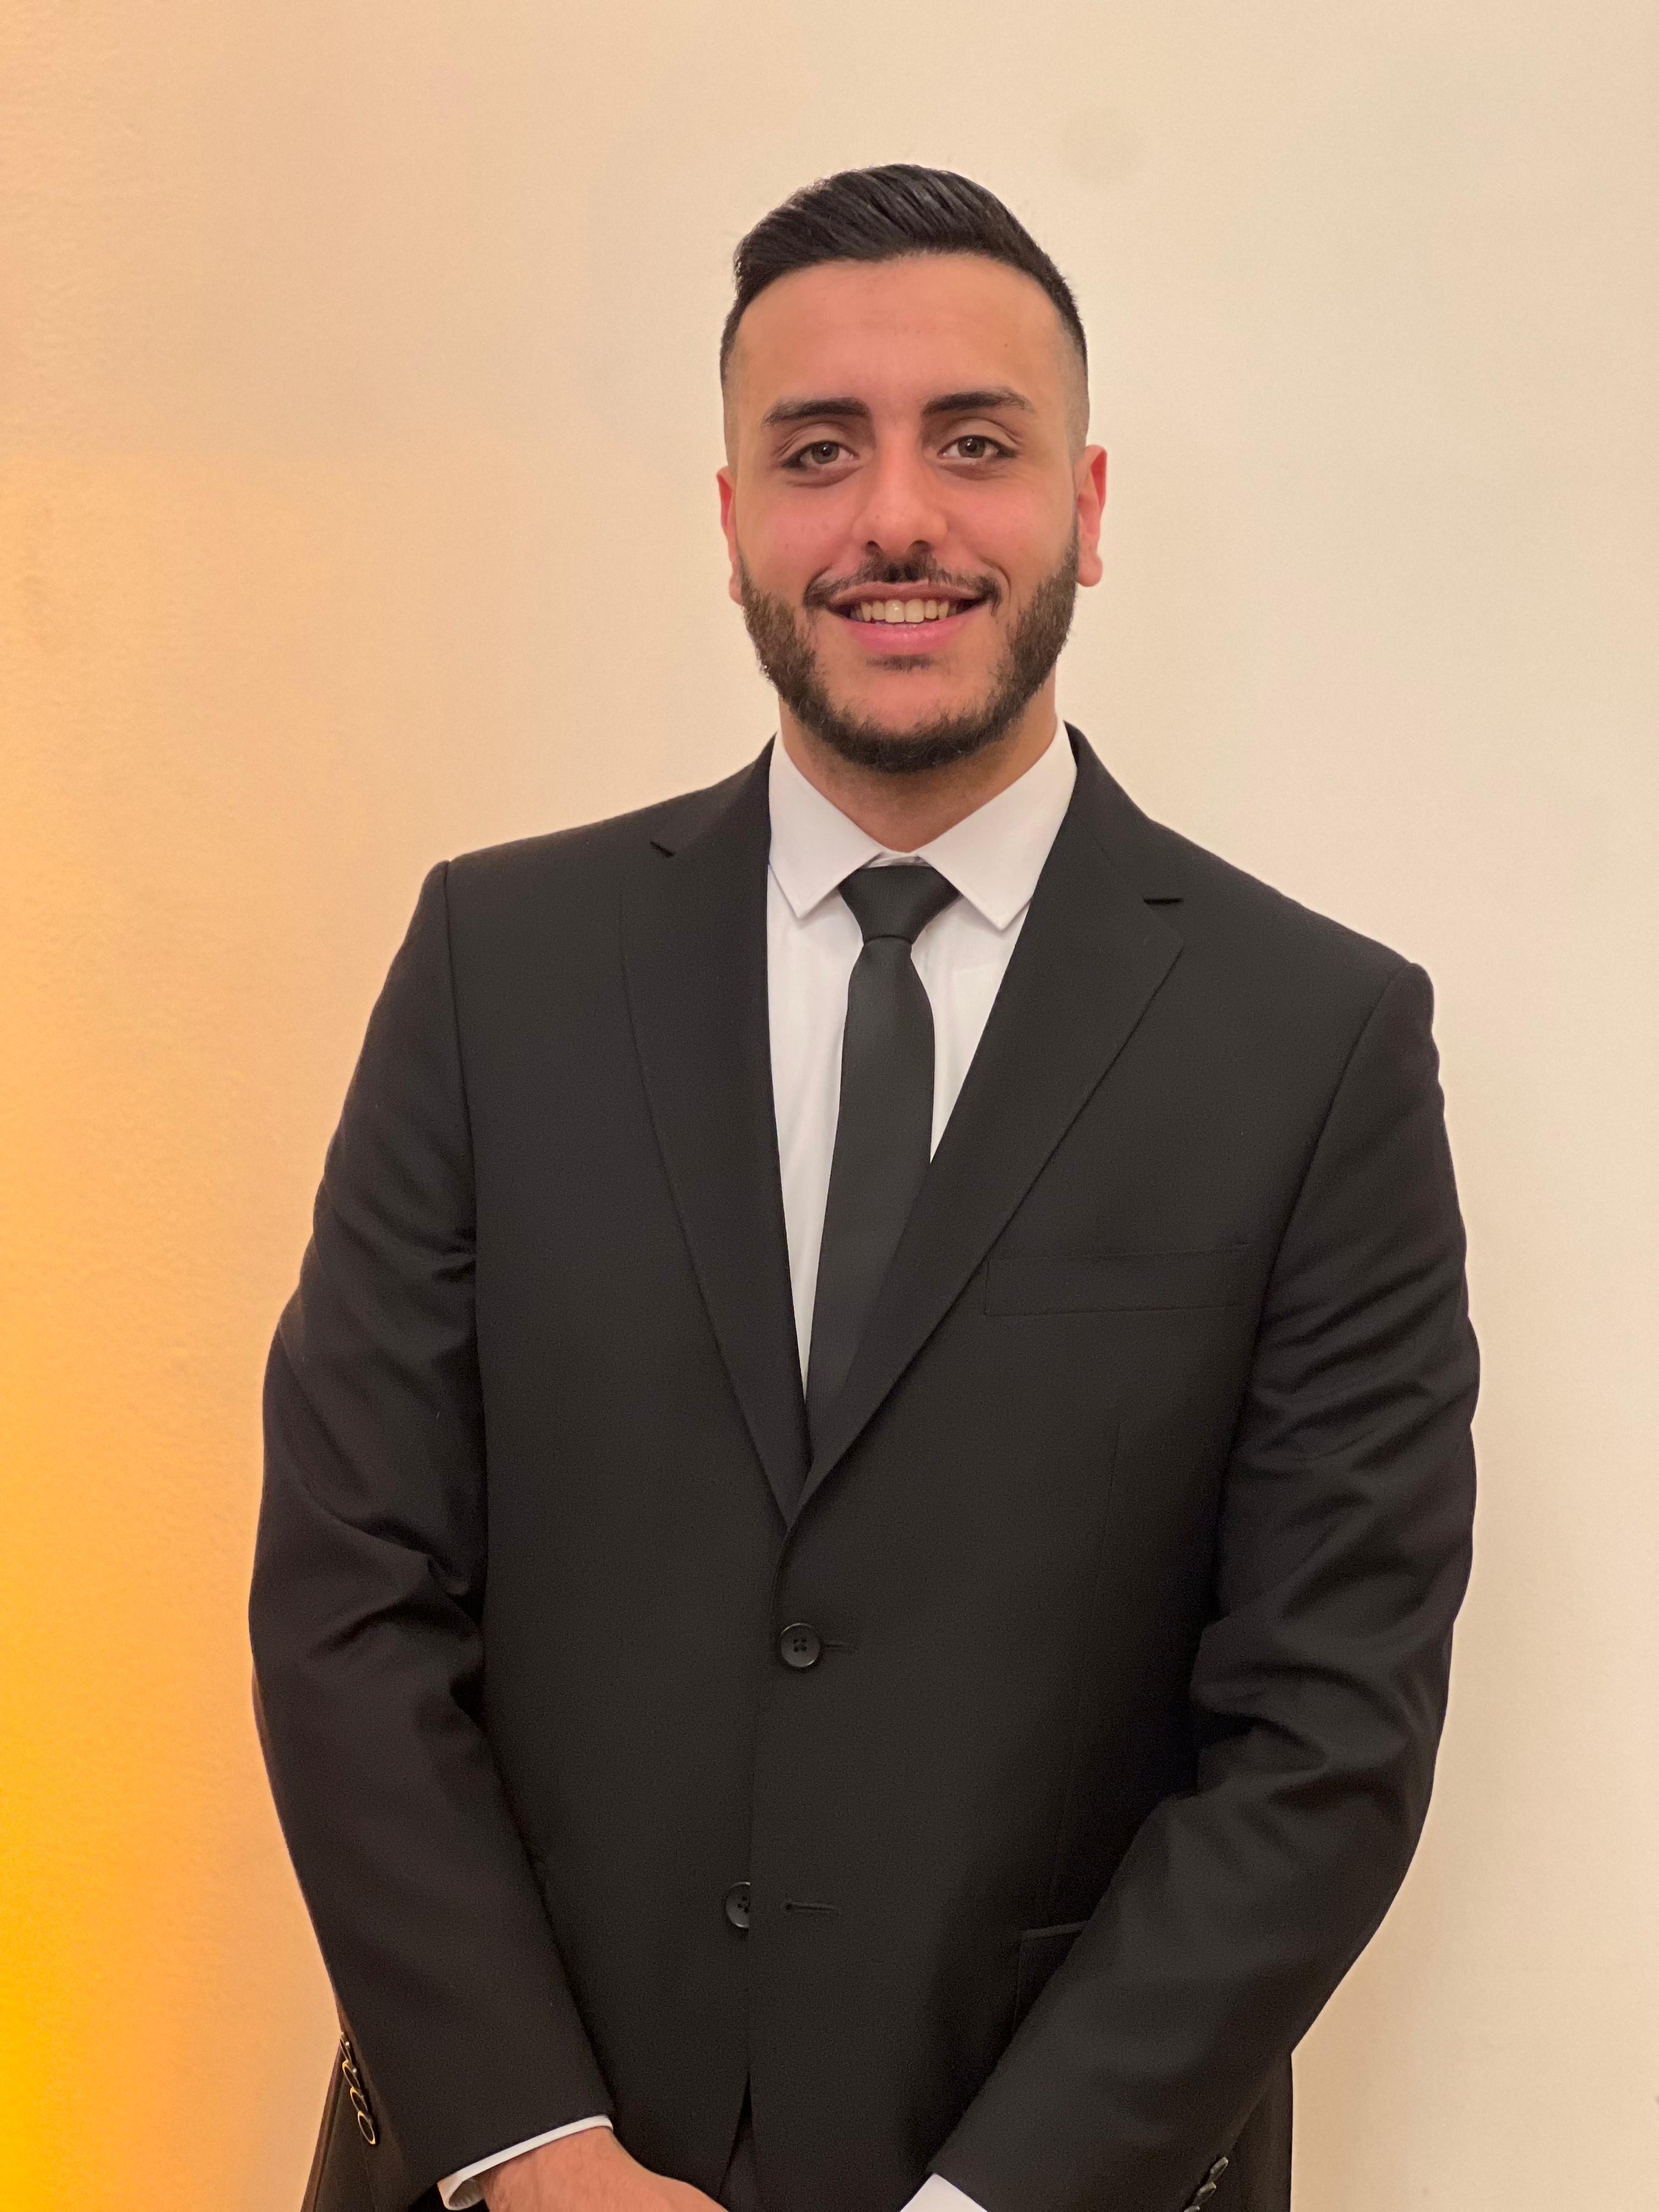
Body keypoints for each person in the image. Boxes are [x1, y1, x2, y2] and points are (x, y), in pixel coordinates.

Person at [251, 164, 1478, 2212]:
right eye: (819, 450)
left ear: (1087, 506)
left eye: (973, 444)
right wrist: (535, 2151)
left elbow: (1327, 1733)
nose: (896, 517)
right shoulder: (494, 966)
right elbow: (349, 1599)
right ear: (733, 517)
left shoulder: (1320, 1043)